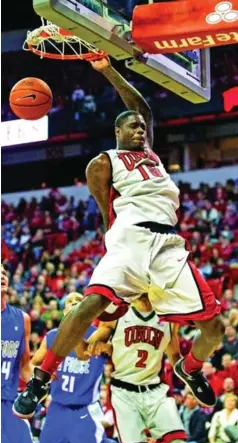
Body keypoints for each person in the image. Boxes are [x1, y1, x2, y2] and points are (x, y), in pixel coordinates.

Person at [13, 57, 223, 419]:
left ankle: (188, 369)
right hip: (129, 238)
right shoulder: (104, 162)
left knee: (215, 329)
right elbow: (105, 212)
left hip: (169, 245)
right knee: (87, 307)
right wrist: (118, 247)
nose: (140, 130)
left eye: (143, 127)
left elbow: (141, 107)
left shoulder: (152, 156)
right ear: (119, 133)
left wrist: (106, 68)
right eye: (133, 128)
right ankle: (41, 378)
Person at [85, 295, 197, 443]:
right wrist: (99, 345)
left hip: (156, 390)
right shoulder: (117, 312)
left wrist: (195, 379)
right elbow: (91, 345)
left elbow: (176, 358)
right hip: (124, 392)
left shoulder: (168, 317)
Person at [32, 292, 120, 443]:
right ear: (64, 310)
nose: (73, 303)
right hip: (57, 408)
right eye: (69, 301)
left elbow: (117, 355)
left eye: (79, 301)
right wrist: (40, 372)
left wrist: (108, 349)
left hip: (85, 408)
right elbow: (32, 364)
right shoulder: (52, 336)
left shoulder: (98, 334)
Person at [1, 265, 35, 443]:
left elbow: (24, 364)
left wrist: (37, 385)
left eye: (3, 273)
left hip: (10, 400)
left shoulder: (21, 319)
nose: (1, 277)